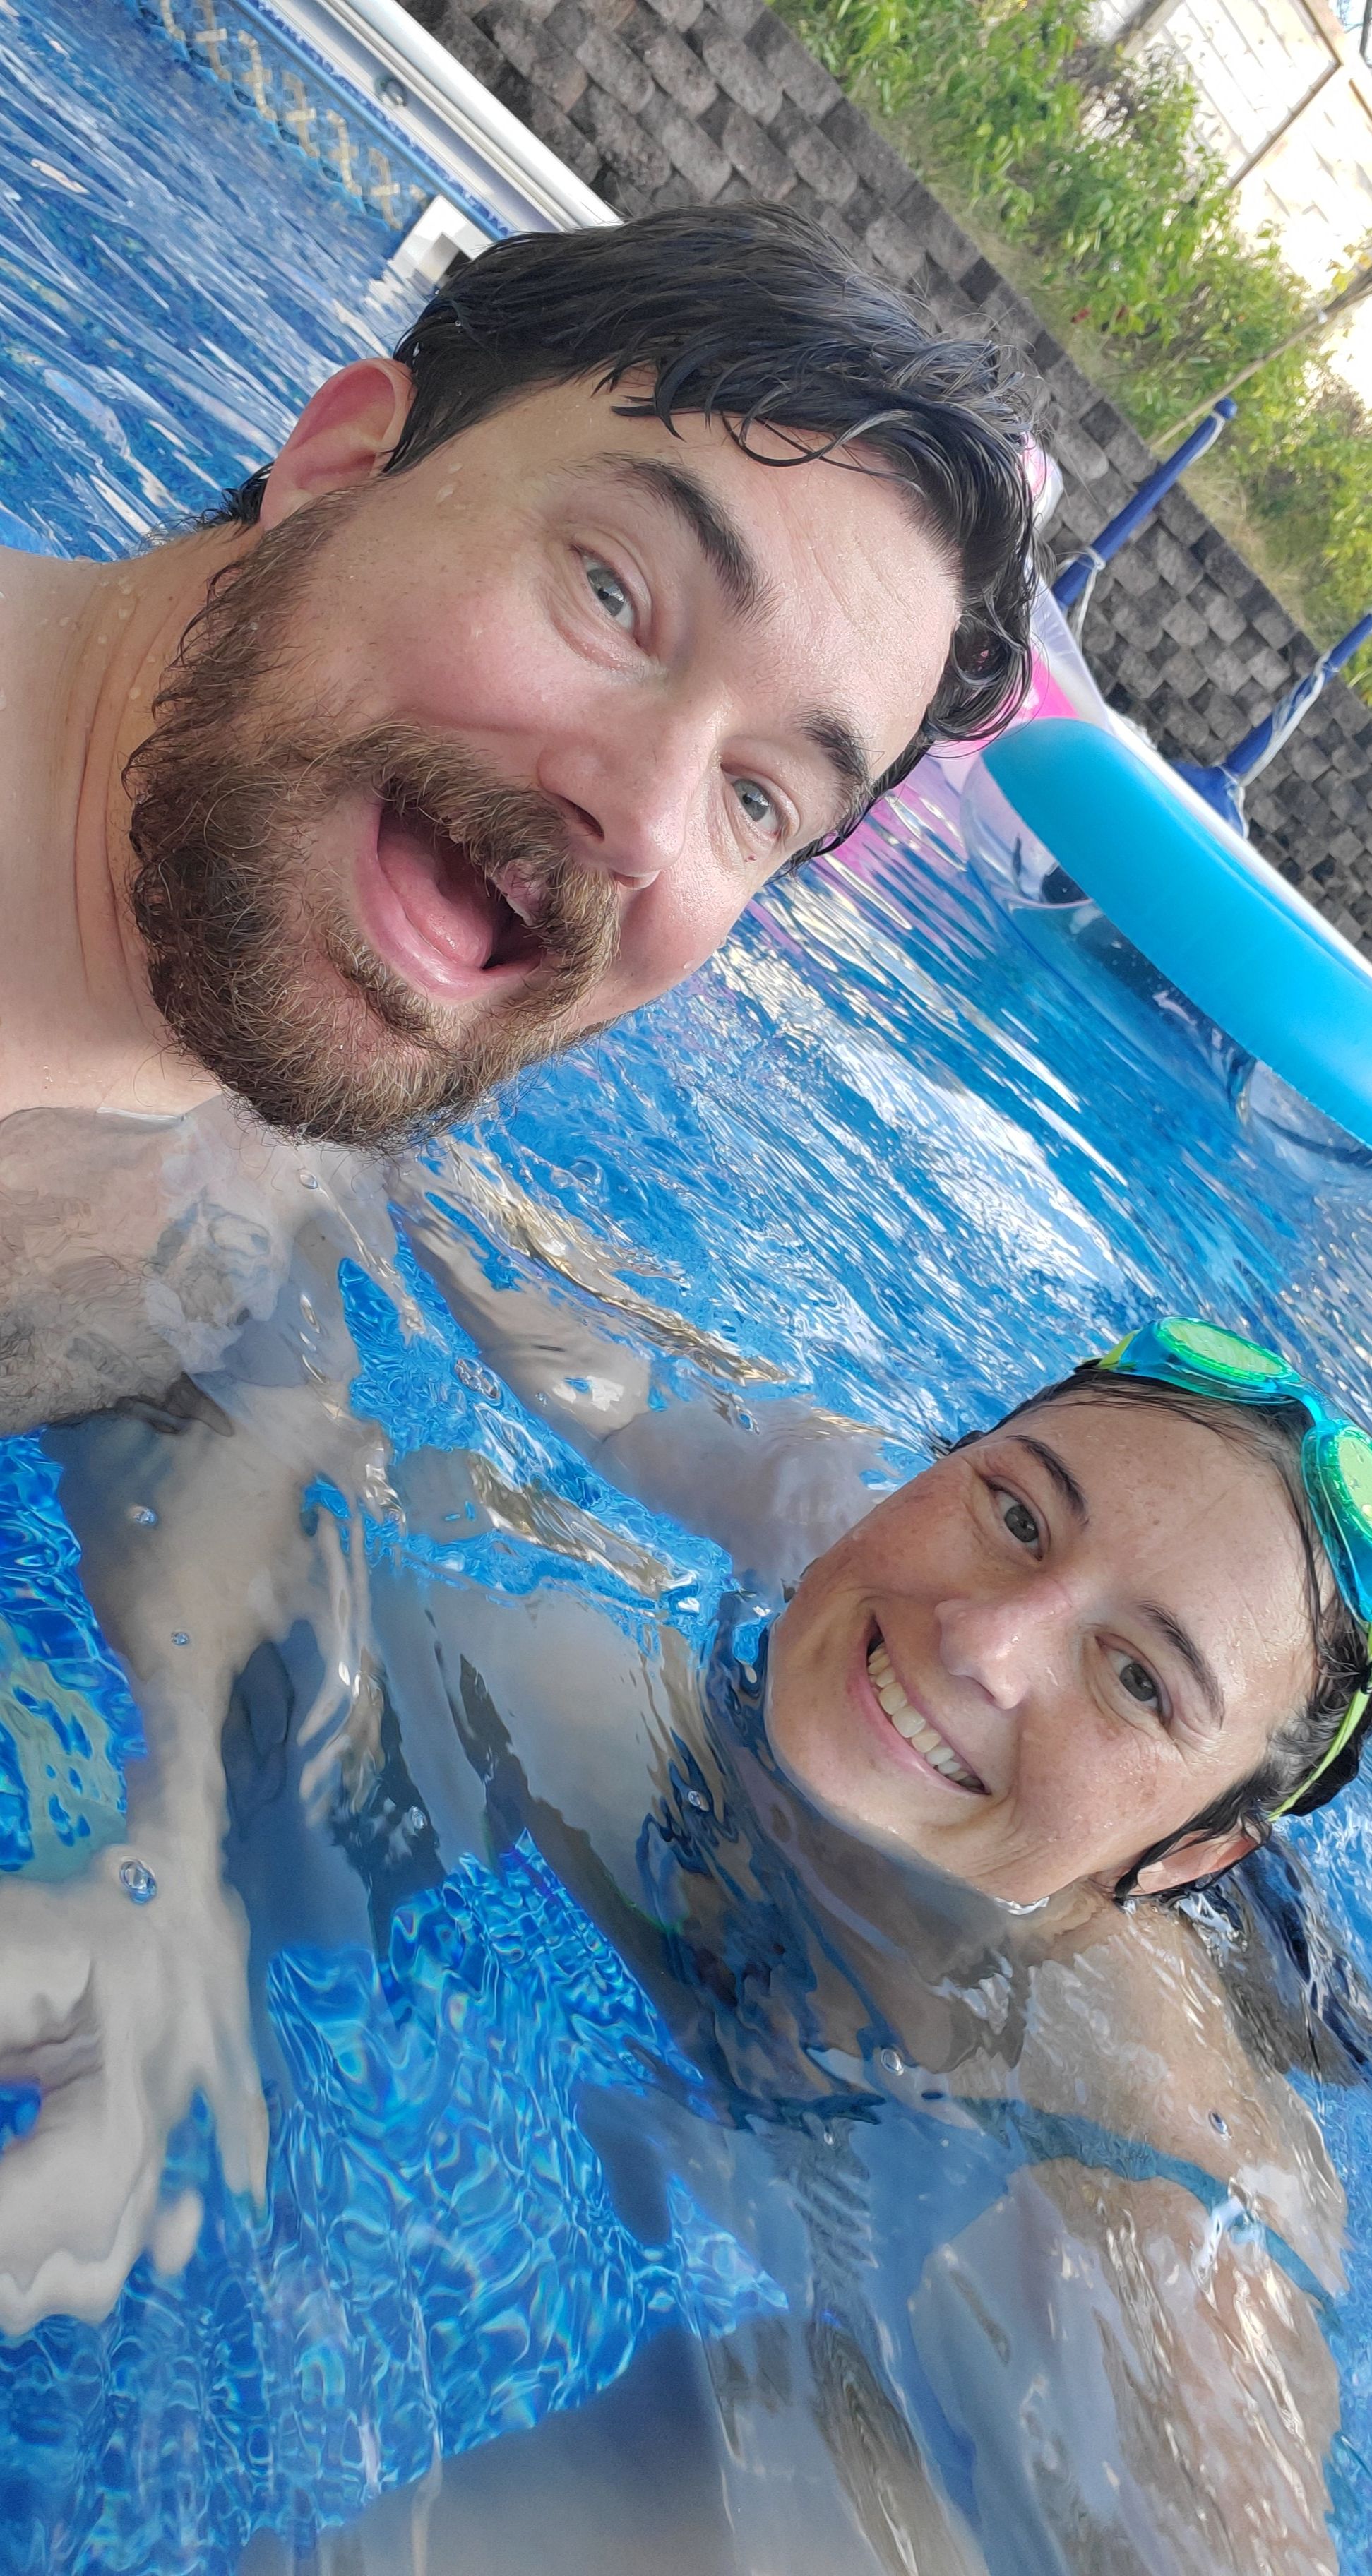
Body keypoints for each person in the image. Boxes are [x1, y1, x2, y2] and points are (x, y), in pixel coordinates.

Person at [2, 1193, 1365, 2568]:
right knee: (331, 1524)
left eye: (1139, 1681)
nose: (984, 1643)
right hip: (702, 1826)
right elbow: (316, 1190)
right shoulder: (825, 1513)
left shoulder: (1147, 2213)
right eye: (1019, 1512)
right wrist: (162, 1847)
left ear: (1199, 1854)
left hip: (915, 2344)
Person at [0, 202, 1032, 1157]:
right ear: (342, 463)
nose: (644, 823)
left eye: (757, 798)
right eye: (612, 594)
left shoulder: (243, 1156)